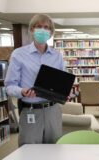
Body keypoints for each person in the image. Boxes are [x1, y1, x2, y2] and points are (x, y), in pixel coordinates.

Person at [4, 14, 64, 146]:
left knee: (55, 149)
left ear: (51, 32)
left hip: (53, 110)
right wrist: (22, 91)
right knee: (29, 151)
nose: (42, 30)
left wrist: (65, 91)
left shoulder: (57, 56)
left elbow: (62, 81)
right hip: (30, 110)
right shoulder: (18, 54)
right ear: (31, 30)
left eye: (46, 27)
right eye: (38, 27)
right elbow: (9, 86)